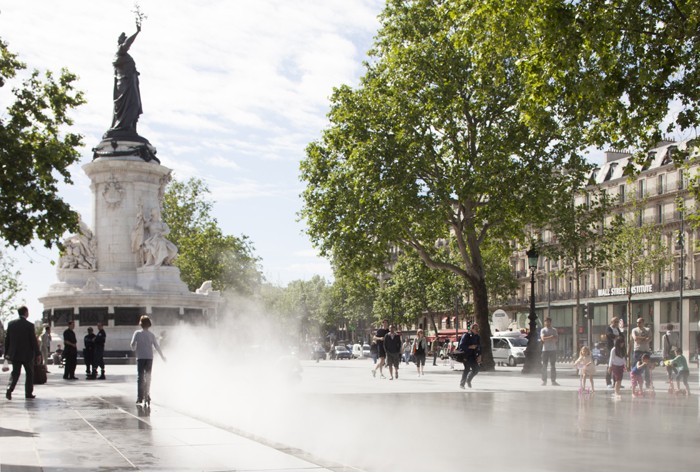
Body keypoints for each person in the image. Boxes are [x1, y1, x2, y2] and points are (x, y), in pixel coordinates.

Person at [104, 22, 143, 139]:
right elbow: (127, 45)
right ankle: (123, 127)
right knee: (131, 105)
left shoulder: (124, 55)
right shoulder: (120, 53)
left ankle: (129, 127)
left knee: (134, 106)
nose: (126, 42)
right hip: (124, 87)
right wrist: (137, 32)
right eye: (124, 40)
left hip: (130, 85)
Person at [4, 306, 40, 400]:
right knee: (29, 373)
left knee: (15, 373)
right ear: (25, 312)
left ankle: (9, 388)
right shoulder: (29, 325)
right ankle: (28, 393)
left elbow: (7, 340)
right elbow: (33, 341)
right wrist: (38, 353)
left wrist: (7, 353)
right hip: (27, 355)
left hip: (15, 354)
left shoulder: (11, 324)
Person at [130, 315, 166, 405]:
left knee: (140, 378)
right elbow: (157, 346)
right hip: (149, 358)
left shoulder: (137, 333)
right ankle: (147, 395)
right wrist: (162, 356)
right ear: (149, 324)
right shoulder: (151, 335)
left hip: (141, 358)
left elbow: (132, 344)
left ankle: (140, 397)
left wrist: (134, 348)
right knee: (148, 377)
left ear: (140, 324)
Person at [458, 323, 481, 389]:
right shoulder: (466, 335)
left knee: (476, 369)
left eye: (478, 329)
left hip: (473, 356)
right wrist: (469, 347)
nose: (477, 330)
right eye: (476, 329)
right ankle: (462, 384)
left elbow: (479, 347)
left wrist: (479, 355)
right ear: (471, 329)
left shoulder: (477, 337)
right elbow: (461, 346)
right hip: (466, 355)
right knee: (467, 369)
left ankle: (468, 380)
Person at [631, 317, 652, 388]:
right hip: (637, 350)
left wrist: (640, 339)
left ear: (643, 322)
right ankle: (633, 383)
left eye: (639, 322)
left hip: (646, 350)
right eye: (637, 322)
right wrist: (644, 338)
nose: (638, 324)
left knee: (647, 367)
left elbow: (649, 338)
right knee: (635, 367)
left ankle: (648, 383)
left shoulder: (647, 330)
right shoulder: (634, 330)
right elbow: (635, 338)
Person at [540, 317, 560, 386]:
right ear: (544, 322)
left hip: (553, 350)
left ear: (550, 322)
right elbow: (543, 339)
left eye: (548, 322)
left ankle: (553, 381)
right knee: (544, 365)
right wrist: (551, 337)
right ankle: (544, 380)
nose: (547, 323)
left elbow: (556, 339)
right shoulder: (543, 330)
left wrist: (548, 338)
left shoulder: (554, 330)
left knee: (553, 366)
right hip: (545, 350)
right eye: (546, 322)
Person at [605, 317, 621, 388]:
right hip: (610, 348)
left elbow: (621, 336)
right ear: (611, 322)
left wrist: (618, 337)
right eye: (615, 322)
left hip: (617, 349)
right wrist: (617, 337)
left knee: (617, 365)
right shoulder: (609, 328)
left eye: (617, 322)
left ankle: (616, 382)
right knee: (610, 365)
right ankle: (608, 382)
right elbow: (609, 335)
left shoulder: (617, 329)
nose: (616, 323)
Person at [661, 323, 678, 390]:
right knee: (673, 364)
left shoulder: (665, 336)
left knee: (668, 367)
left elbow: (664, 347)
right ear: (672, 328)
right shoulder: (676, 335)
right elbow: (678, 345)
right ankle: (677, 374)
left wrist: (663, 355)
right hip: (674, 353)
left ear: (667, 328)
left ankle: (670, 379)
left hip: (667, 354)